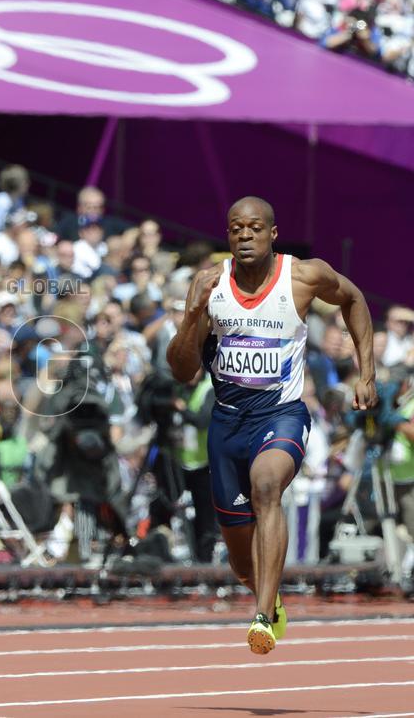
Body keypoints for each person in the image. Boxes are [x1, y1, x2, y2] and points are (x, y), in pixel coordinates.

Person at [167, 196, 376, 655]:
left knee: (267, 485)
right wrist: (191, 317)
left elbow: (354, 298)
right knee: (244, 564)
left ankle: (262, 617)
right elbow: (182, 371)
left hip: (281, 414)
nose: (245, 235)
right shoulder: (208, 284)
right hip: (226, 425)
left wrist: (366, 372)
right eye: (236, 228)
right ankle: (268, 595)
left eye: (255, 228)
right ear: (228, 236)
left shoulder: (303, 276)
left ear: (273, 233)